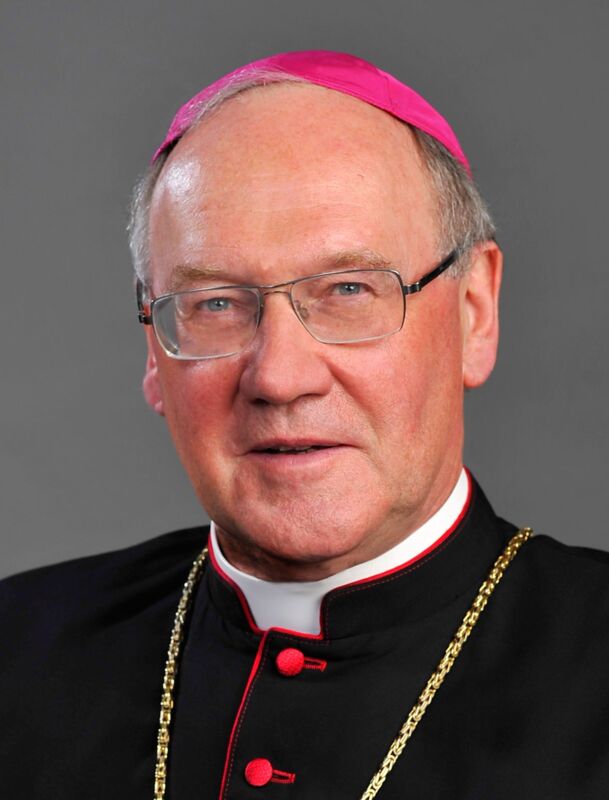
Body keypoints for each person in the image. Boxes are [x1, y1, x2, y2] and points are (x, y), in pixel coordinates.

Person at [1, 50, 608, 800]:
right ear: (154, 350)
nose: (280, 378)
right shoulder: (17, 650)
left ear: (473, 313)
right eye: (215, 303)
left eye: (349, 290)